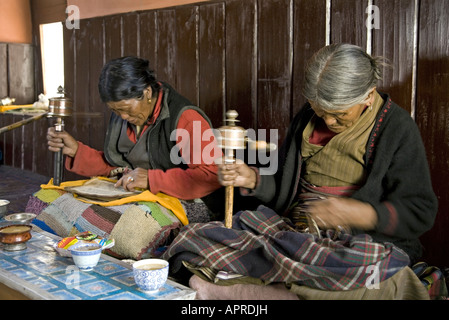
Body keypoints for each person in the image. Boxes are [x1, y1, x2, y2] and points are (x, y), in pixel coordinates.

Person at [162, 44, 438, 300]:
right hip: (295, 233)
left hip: (355, 243)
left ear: (368, 95)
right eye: (321, 111)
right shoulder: (308, 118)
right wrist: (253, 179)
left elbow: (420, 210)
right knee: (197, 237)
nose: (328, 120)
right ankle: (283, 288)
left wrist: (358, 213)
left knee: (365, 275)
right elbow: (285, 185)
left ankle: (251, 288)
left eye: (339, 115)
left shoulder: (396, 128)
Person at [47, 56, 222, 218]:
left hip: (192, 201)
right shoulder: (125, 116)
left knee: (128, 223)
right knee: (58, 205)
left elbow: (212, 175)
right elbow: (117, 167)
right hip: (140, 194)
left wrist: (152, 179)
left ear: (146, 93)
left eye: (126, 109)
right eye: (115, 110)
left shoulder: (186, 118)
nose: (122, 116)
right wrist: (77, 151)